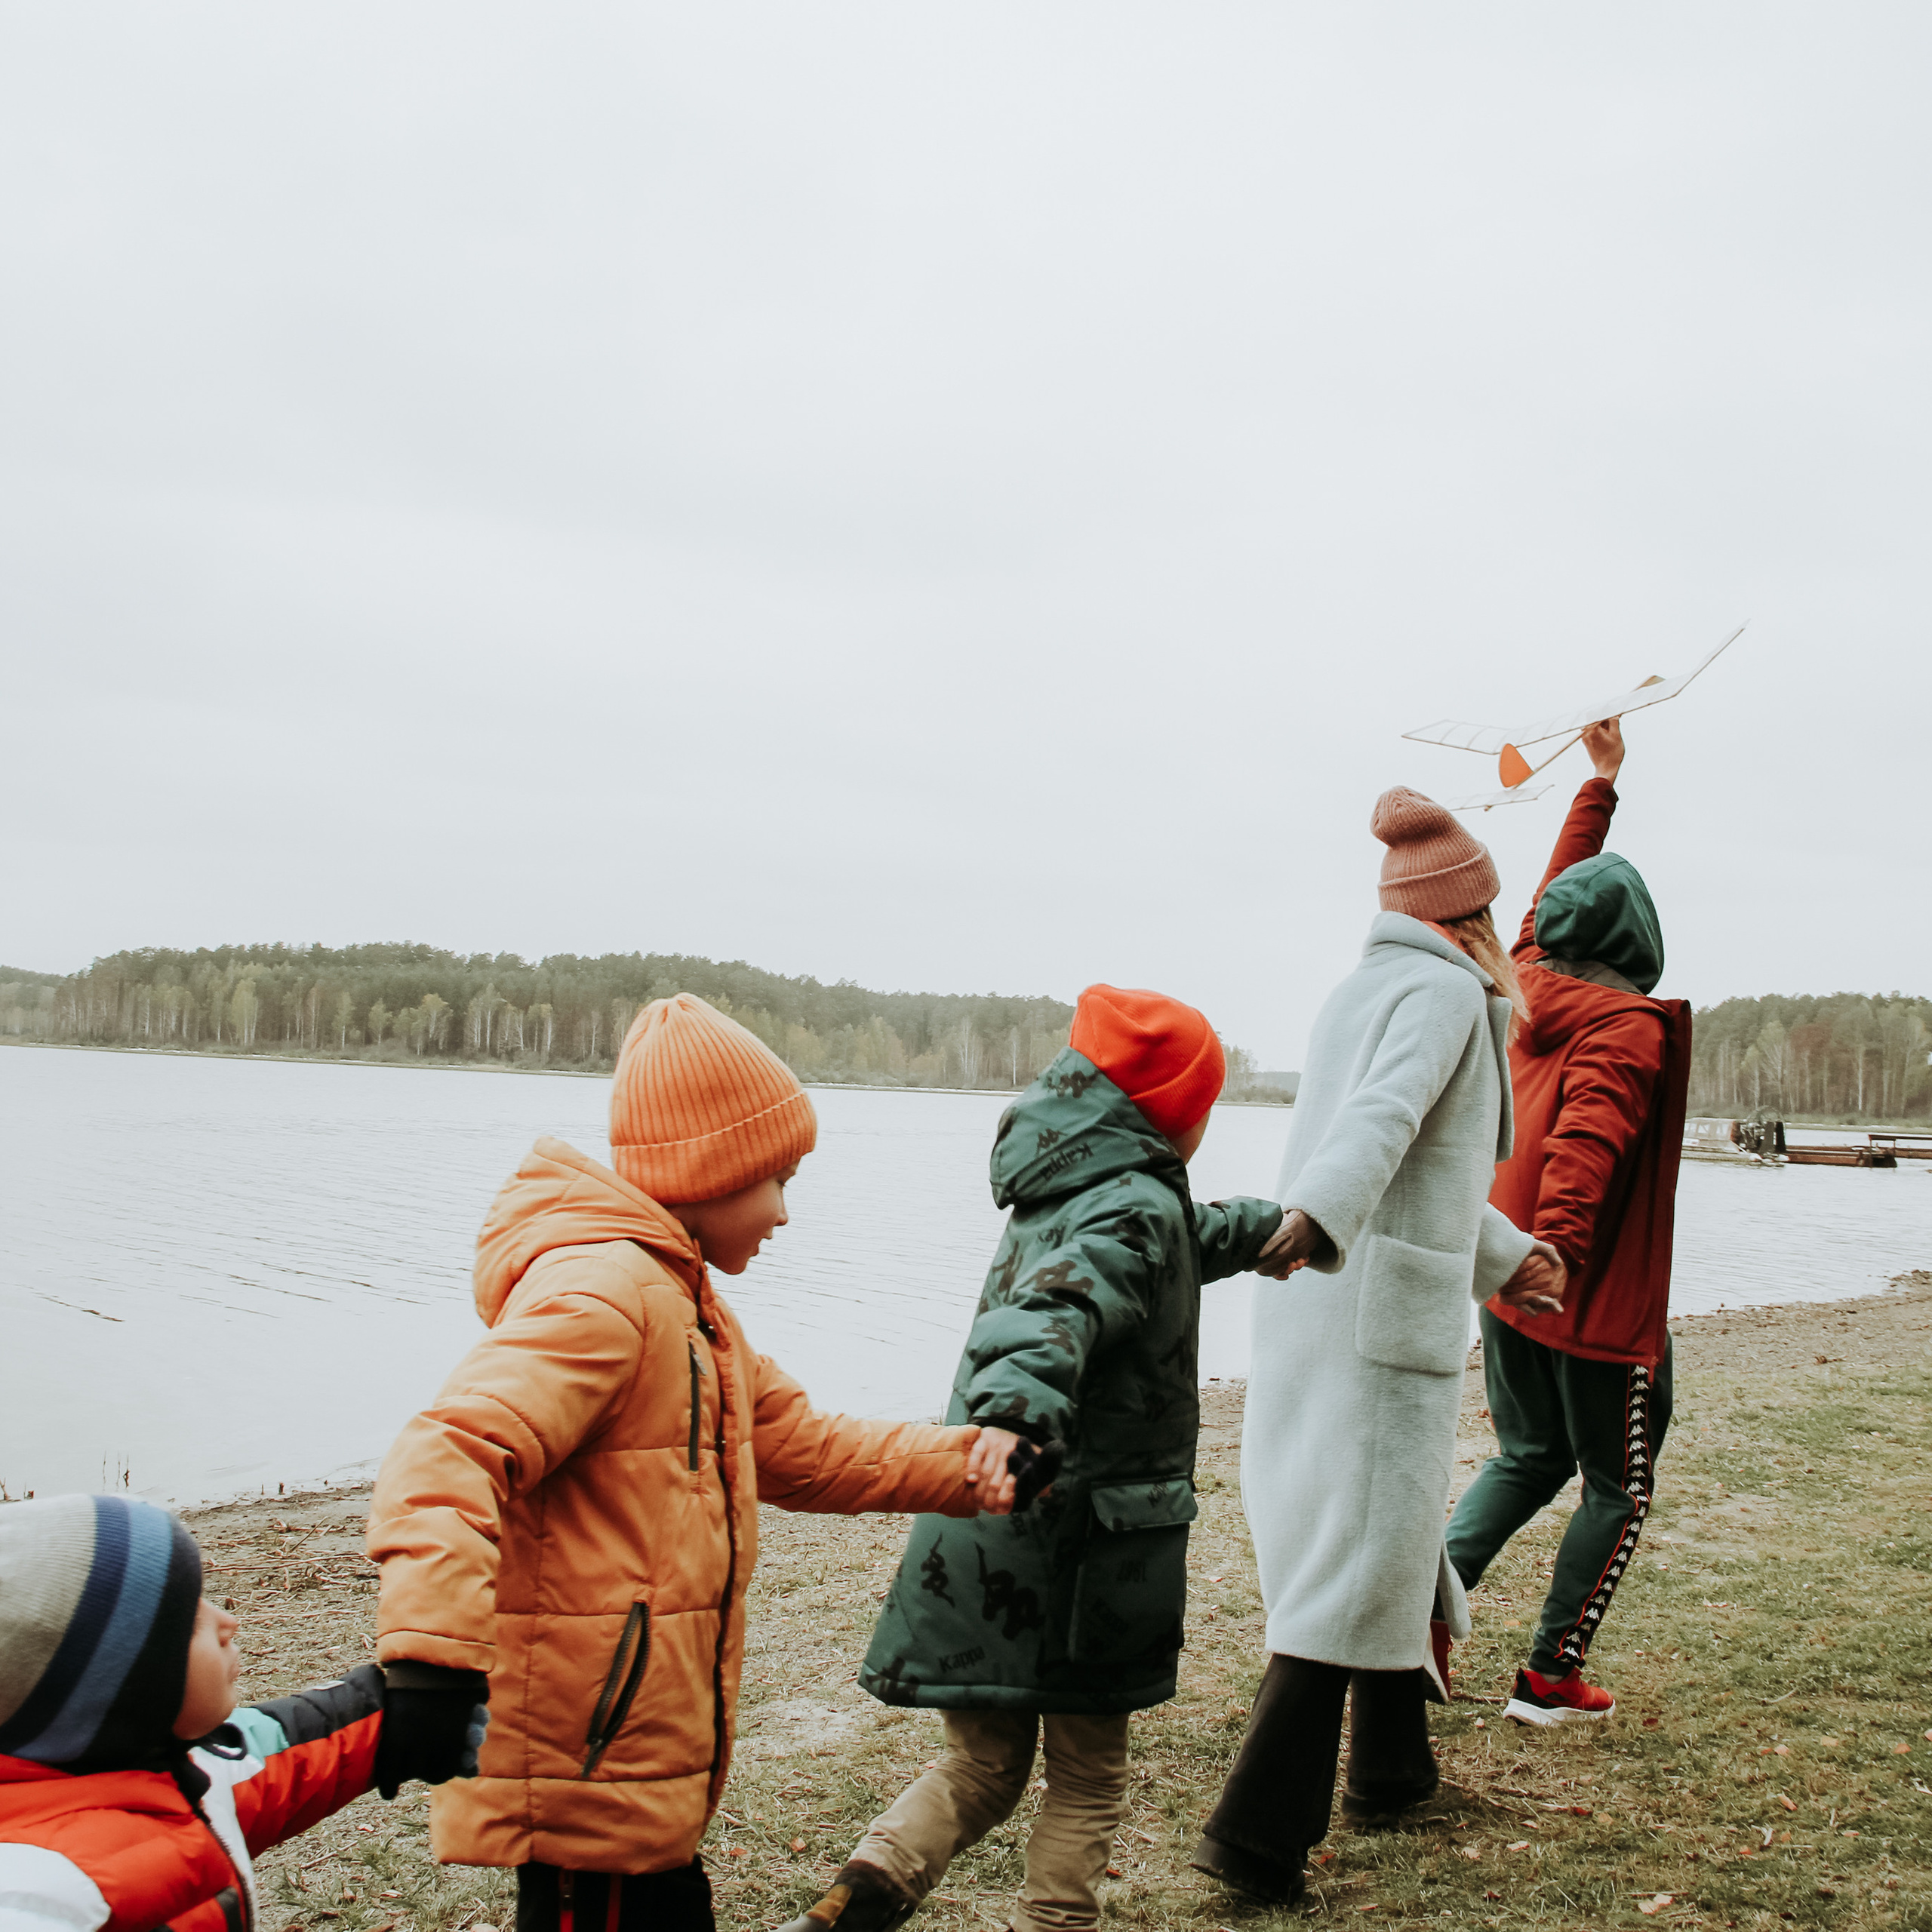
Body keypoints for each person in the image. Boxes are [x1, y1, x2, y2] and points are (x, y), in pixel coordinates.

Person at [365, 994, 1014, 1932]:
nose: (786, 1212)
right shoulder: (607, 1297)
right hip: (589, 1765)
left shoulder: (688, 1308)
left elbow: (807, 1448)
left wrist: (972, 1464)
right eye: (776, 1178)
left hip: (635, 1760)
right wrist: (429, 1659)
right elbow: (449, 1450)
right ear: (709, 1167)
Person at [775, 986, 1284, 1932]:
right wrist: (1014, 1412)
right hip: (1084, 1544)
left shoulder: (1078, 1184)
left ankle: (850, 1905)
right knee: (1086, 1775)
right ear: (1177, 1112)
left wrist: (1265, 1230)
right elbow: (1057, 1308)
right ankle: (1054, 1922)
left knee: (979, 1763)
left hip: (985, 1515)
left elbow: (1161, 1247)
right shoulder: (1130, 1205)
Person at [1192, 787, 1567, 1907]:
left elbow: (1417, 1171)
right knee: (1361, 1552)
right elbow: (1380, 1124)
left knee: (1382, 1534)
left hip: (1328, 1290)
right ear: (1474, 914)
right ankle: (1255, 1836)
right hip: (1368, 1301)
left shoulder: (1360, 989)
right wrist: (1315, 1220)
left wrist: (1507, 1258)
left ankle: (1393, 1770)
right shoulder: (1449, 993)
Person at [1444, 719, 1691, 1725]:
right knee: (1617, 1487)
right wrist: (1560, 1257)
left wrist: (1600, 784)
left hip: (1508, 1274)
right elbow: (1587, 1146)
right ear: (1640, 937)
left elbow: (1554, 890)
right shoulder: (1624, 1026)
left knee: (1527, 1455)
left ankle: (1413, 1622)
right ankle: (1549, 1676)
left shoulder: (1522, 975)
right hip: (1578, 1290)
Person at [0, 1493, 457, 1932]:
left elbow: (281, 1751)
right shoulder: (37, 1890)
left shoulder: (172, 1764)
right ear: (124, 1685)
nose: (228, 1622)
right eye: (188, 1618)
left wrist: (393, 1714)